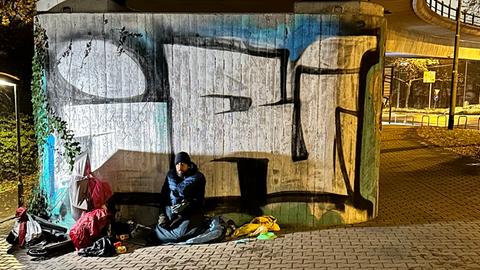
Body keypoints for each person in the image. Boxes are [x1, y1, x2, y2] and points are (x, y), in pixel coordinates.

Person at [152, 152, 206, 244]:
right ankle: (160, 231)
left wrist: (186, 206)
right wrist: (162, 215)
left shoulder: (198, 178)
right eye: (177, 164)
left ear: (188, 165)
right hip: (172, 211)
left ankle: (163, 234)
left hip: (189, 213)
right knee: (163, 226)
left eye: (182, 164)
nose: (179, 166)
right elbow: (164, 197)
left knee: (181, 234)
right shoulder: (170, 176)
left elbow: (199, 200)